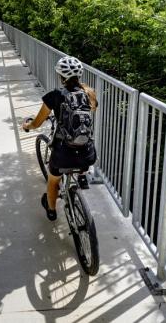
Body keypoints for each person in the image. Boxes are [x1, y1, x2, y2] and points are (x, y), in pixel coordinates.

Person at [22, 56, 97, 221]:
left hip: (63, 154)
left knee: (53, 181)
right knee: (80, 159)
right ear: (79, 75)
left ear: (61, 76)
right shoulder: (89, 92)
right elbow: (92, 109)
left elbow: (37, 123)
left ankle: (51, 210)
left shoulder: (55, 96)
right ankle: (82, 175)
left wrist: (27, 126)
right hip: (88, 153)